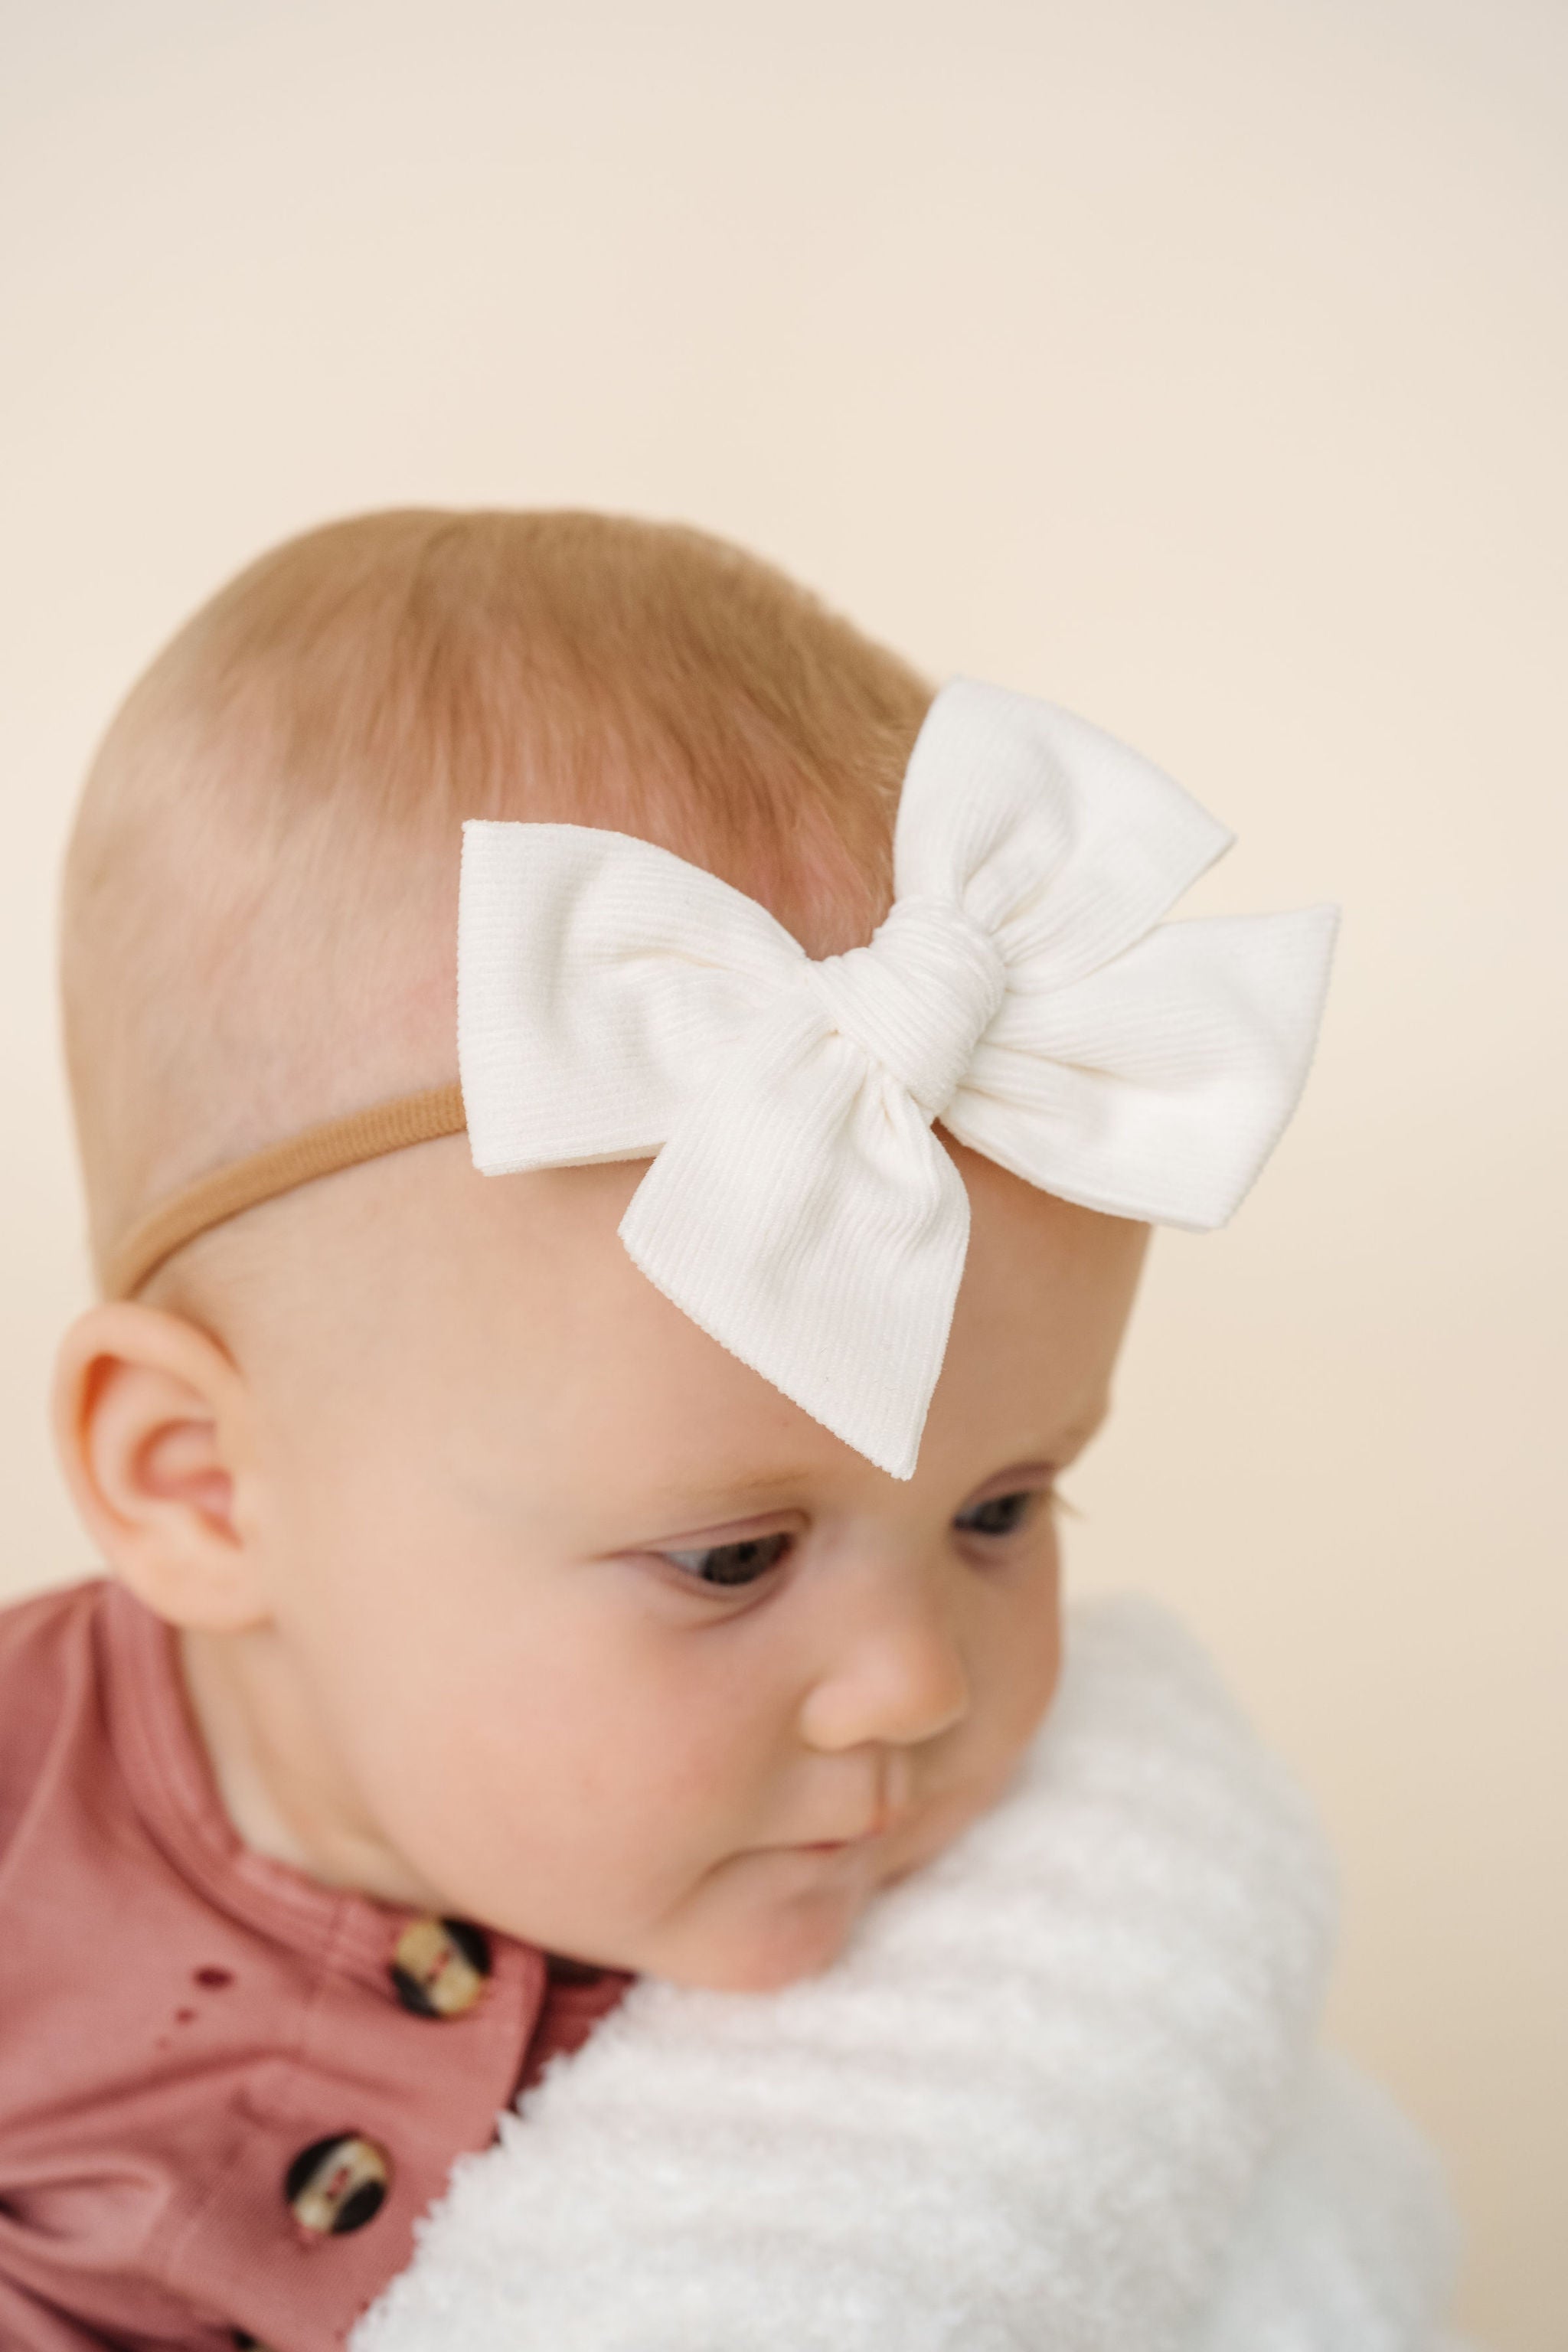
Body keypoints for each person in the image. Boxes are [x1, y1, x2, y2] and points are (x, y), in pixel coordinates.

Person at [0, 511, 1460, 2350]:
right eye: (731, 1557)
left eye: (1004, 1509)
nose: (916, 1684)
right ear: (203, 1485)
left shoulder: (1060, 1939)